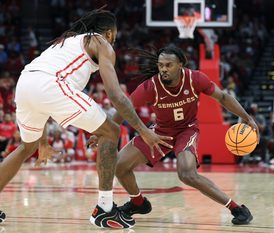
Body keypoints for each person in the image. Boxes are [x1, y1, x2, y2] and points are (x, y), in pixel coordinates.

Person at [0, 8, 172, 229]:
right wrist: (143, 130)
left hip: (25, 82)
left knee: (27, 148)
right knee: (112, 131)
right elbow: (116, 95)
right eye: (115, 34)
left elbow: (41, 94)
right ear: (110, 33)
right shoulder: (101, 42)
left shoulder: (66, 42)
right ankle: (104, 210)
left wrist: (43, 142)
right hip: (51, 84)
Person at [88, 46, 259, 225]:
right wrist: (102, 132)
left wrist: (247, 118)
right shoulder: (150, 86)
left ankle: (237, 209)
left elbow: (223, 97)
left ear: (181, 65)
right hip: (161, 131)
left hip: (187, 130)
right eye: (161, 65)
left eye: (169, 65)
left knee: (186, 174)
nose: (163, 69)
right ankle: (138, 203)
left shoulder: (195, 78)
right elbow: (123, 109)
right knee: (119, 166)